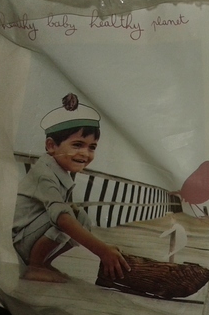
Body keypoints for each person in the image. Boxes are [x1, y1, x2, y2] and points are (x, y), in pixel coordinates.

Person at [12, 93, 130, 283]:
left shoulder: (57, 169)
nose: (85, 153)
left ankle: (44, 262)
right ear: (51, 145)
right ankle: (34, 266)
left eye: (92, 147)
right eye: (77, 145)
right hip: (17, 242)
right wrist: (102, 250)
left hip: (28, 236)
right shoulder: (44, 173)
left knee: (81, 218)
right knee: (65, 218)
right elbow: (62, 219)